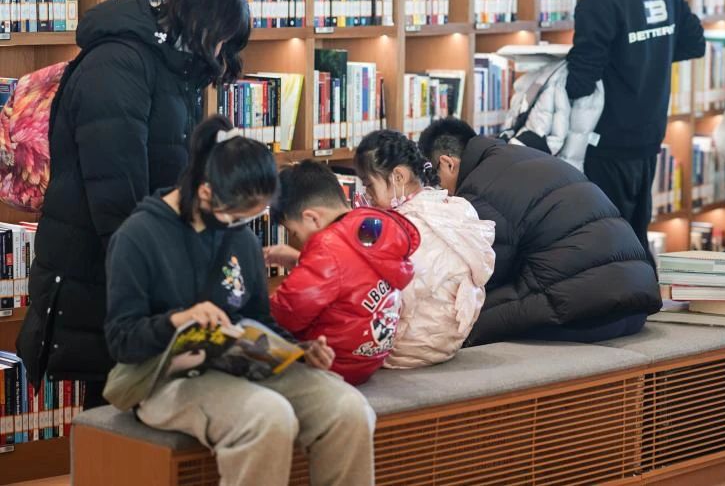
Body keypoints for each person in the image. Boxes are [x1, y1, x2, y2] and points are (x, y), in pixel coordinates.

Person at [19, 0, 251, 408]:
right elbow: (115, 194)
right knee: (115, 411)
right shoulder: (120, 64)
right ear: (202, 23)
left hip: (135, 264)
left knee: (136, 410)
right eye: (222, 40)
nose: (221, 54)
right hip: (102, 269)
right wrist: (153, 279)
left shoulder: (170, 68)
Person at [104, 116, 375, 486]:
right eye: (234, 216)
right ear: (205, 192)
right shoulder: (138, 237)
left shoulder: (240, 237)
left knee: (348, 409)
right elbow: (121, 339)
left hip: (239, 364)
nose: (239, 226)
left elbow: (258, 318)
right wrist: (178, 320)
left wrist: (299, 349)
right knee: (267, 416)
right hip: (163, 377)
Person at [542, 0, 706, 257]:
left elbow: (581, 81)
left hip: (609, 140)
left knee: (607, 240)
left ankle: (628, 292)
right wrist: (646, 55)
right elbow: (694, 43)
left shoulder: (598, 0)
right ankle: (643, 290)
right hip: (649, 135)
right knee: (635, 232)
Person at [419, 117, 661, 345]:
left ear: (448, 163)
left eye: (434, 181)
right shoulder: (521, 158)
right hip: (634, 301)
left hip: (589, 313)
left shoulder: (478, 189)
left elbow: (487, 272)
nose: (440, 194)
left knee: (452, 322)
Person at [267, 161, 418, 385]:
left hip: (330, 363)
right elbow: (350, 275)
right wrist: (300, 260)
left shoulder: (327, 248)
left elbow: (287, 313)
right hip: (369, 360)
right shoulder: (373, 229)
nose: (297, 240)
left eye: (294, 232)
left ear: (312, 218)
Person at [354, 130, 495, 368]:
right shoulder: (455, 207)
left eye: (369, 185)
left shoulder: (397, 227)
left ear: (398, 177)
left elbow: (384, 294)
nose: (367, 195)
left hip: (400, 349)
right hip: (449, 343)